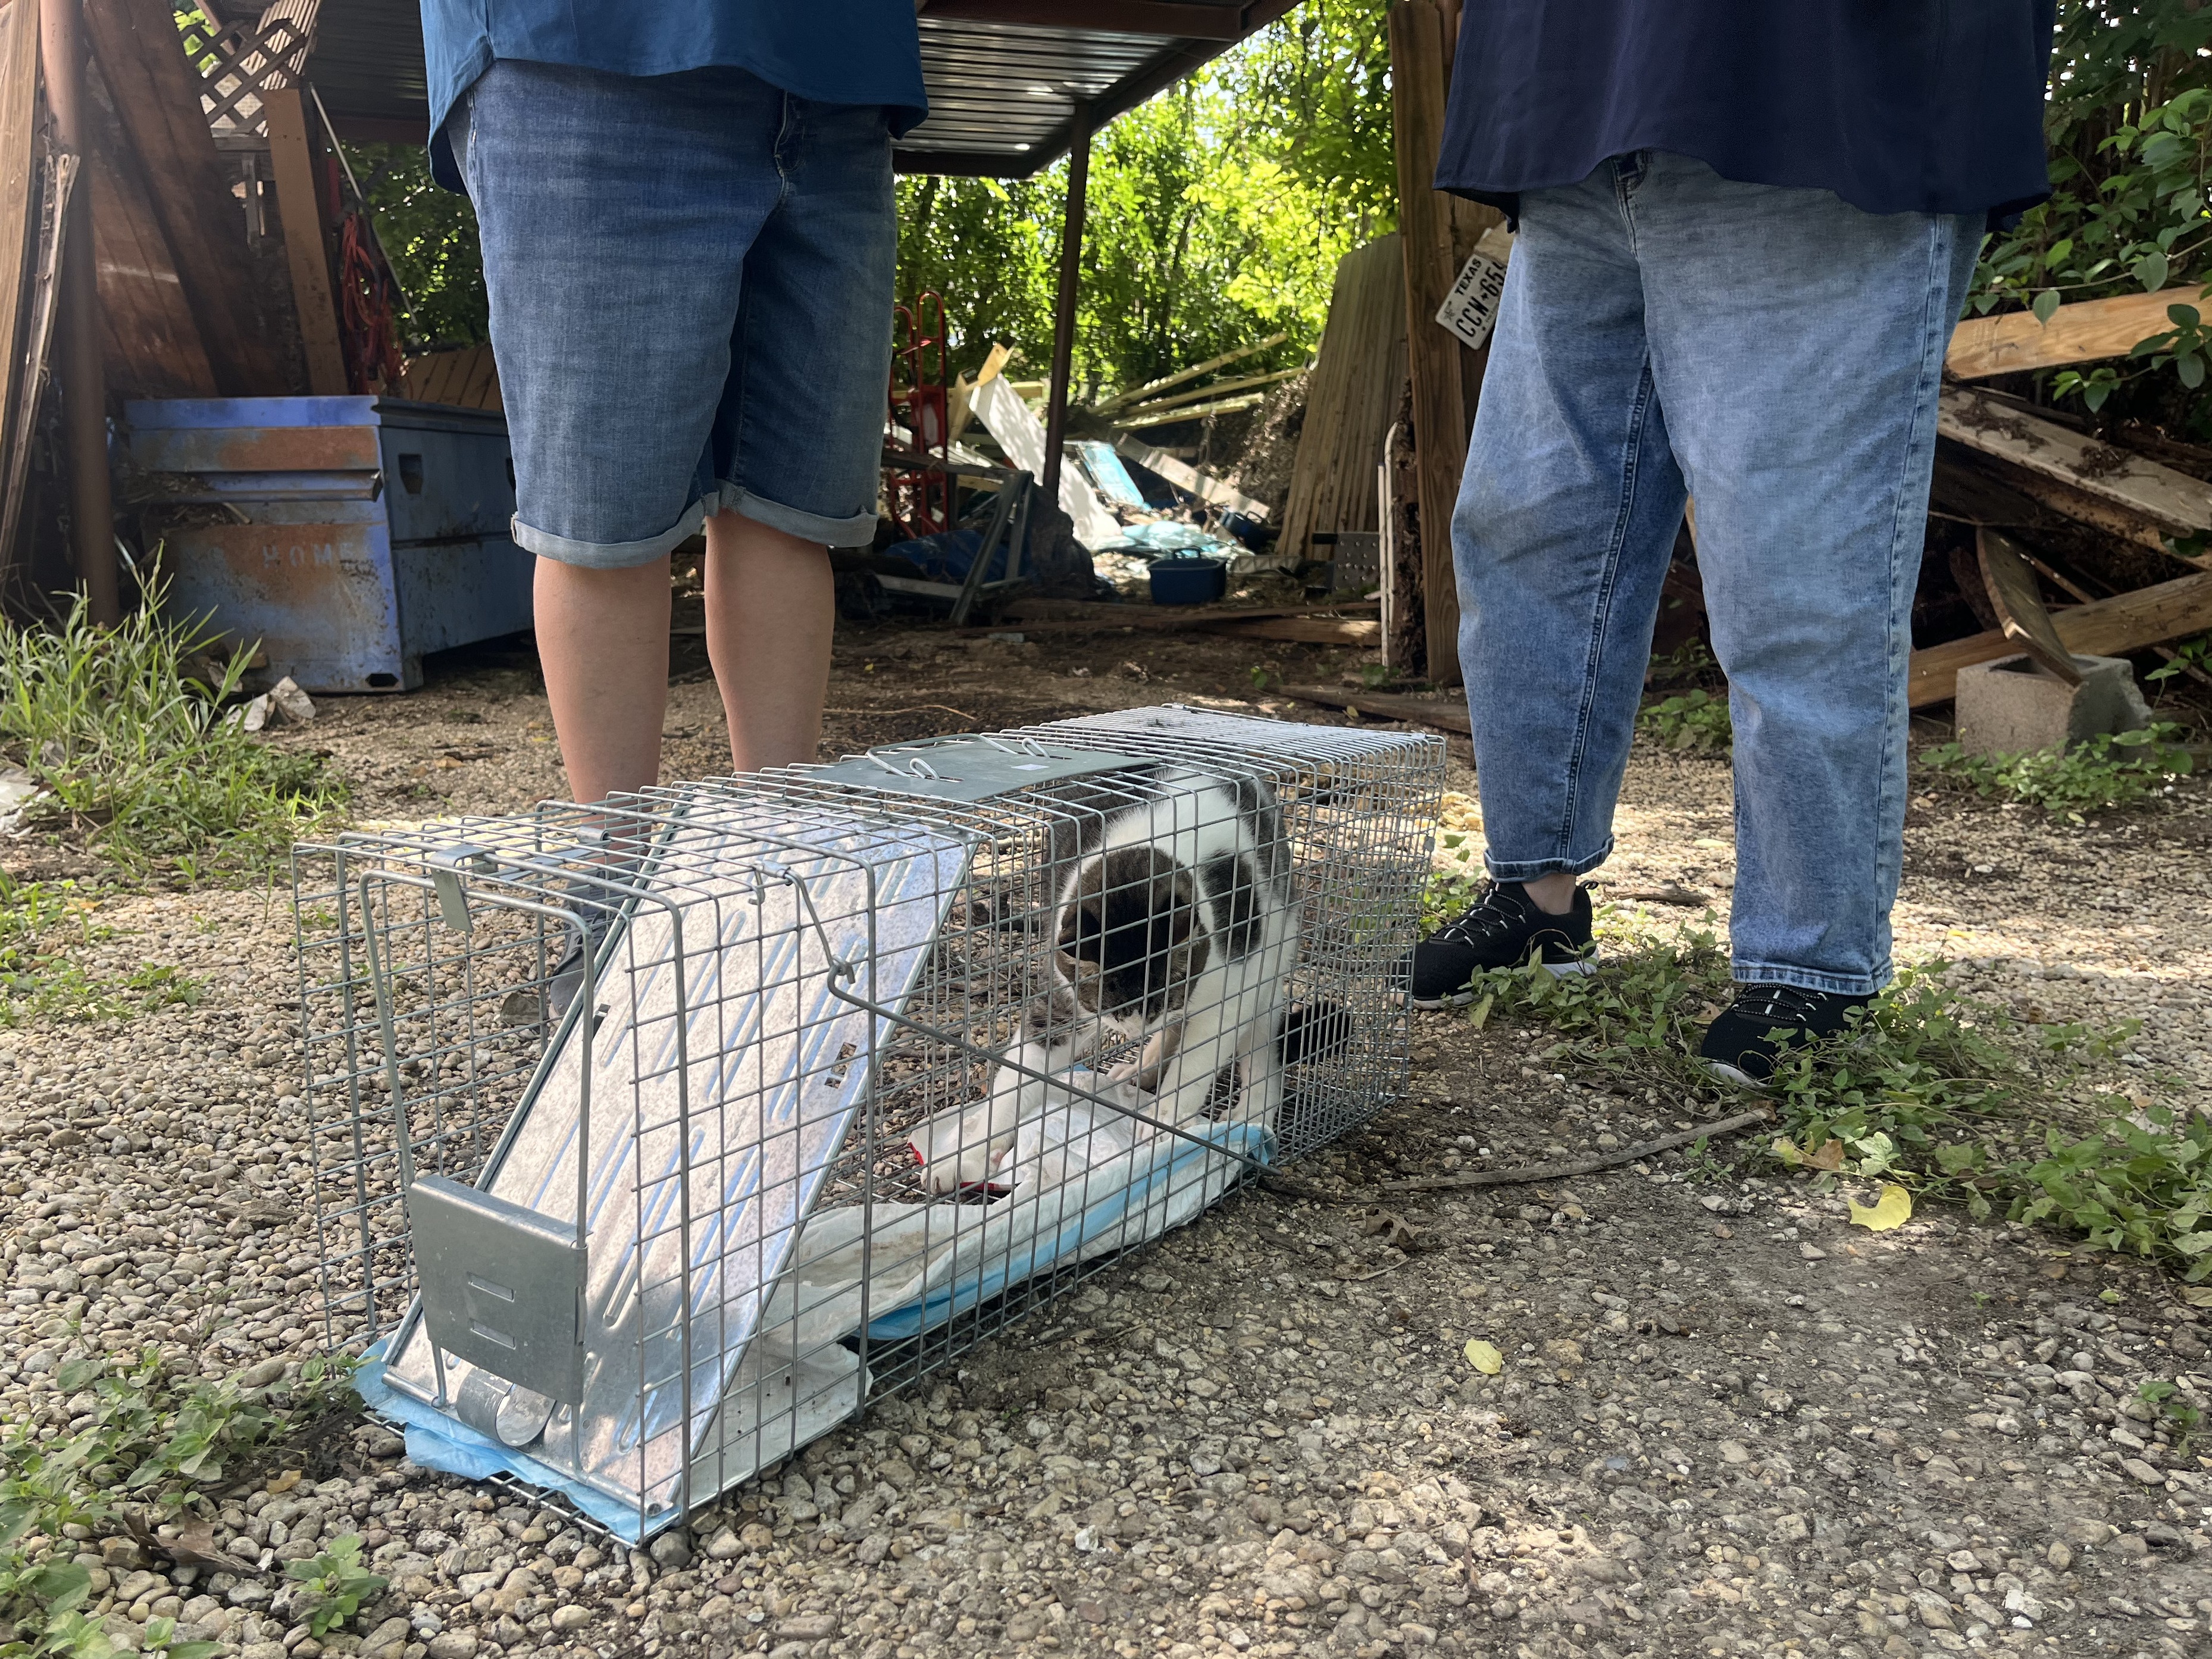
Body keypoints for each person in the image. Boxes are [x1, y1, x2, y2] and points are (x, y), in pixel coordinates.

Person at [1404, 2, 2056, 1085]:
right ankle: (1537, 897)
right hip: (1567, 112)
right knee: (1529, 539)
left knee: (1793, 571)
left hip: (1819, 94)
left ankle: (1811, 963)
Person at [417, 3, 927, 1002]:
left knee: (792, 514)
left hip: (837, 69)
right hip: (582, 49)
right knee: (601, 525)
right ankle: (610, 908)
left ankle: (775, 881)